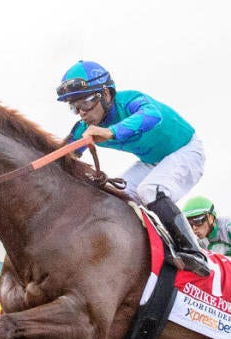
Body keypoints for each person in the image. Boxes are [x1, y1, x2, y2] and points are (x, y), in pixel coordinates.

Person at [56, 60, 209, 276]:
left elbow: (152, 115)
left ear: (107, 94)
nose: (82, 112)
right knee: (113, 194)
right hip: (152, 161)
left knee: (149, 190)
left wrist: (112, 132)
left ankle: (193, 250)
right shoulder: (82, 128)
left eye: (87, 102)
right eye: (74, 106)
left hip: (186, 150)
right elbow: (60, 157)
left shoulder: (130, 101)